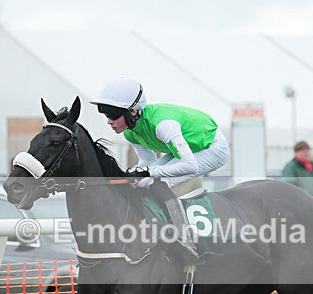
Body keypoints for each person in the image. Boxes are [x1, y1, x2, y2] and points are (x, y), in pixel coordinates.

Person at [90, 77, 230, 263]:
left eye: (113, 115)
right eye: (105, 114)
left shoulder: (163, 125)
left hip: (212, 148)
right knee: (143, 182)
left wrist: (147, 172)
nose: (109, 121)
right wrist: (133, 174)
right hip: (187, 150)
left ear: (133, 111)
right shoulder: (130, 133)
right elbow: (148, 161)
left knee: (158, 181)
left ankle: (186, 241)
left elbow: (190, 165)